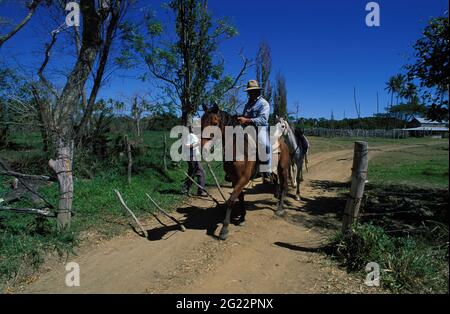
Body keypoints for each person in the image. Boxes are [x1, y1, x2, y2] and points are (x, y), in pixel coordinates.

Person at [237, 80, 272, 178]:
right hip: (247, 128)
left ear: (257, 91)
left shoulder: (264, 104)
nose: (250, 93)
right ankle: (233, 169)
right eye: (249, 91)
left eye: (252, 91)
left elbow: (263, 120)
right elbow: (244, 116)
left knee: (265, 144)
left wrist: (246, 120)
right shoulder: (247, 104)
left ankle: (267, 171)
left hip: (260, 128)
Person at [181, 126, 207, 196]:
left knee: (192, 173)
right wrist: (196, 144)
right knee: (201, 173)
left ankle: (185, 189)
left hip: (194, 157)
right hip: (192, 157)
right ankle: (200, 191)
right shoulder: (190, 136)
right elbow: (186, 146)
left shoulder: (195, 136)